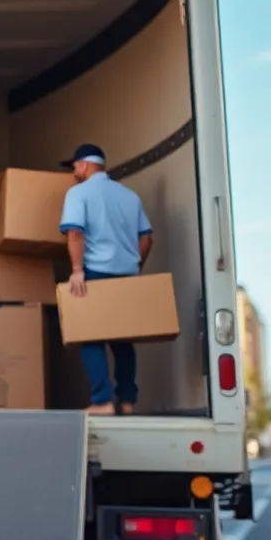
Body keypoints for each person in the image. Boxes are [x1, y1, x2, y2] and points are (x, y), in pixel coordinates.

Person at [58, 143, 154, 416]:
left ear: (86, 165)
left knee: (91, 336)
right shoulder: (129, 196)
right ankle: (126, 400)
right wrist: (135, 266)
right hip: (125, 274)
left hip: (96, 272)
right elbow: (146, 238)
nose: (74, 172)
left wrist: (77, 270)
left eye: (75, 166)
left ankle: (102, 401)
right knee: (123, 340)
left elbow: (74, 233)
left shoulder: (78, 194)